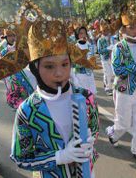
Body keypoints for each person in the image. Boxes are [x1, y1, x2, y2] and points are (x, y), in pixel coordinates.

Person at [10, 20, 99, 177]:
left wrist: (90, 142)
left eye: (65, 64)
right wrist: (59, 157)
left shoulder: (86, 97)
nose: (59, 73)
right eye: (49, 66)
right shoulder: (27, 110)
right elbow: (20, 157)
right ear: (35, 68)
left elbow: (95, 129)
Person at [105, 2, 136, 165]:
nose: (135, 31)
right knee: (123, 124)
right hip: (123, 90)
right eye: (131, 27)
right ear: (123, 29)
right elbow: (118, 71)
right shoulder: (118, 47)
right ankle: (112, 133)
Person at [71, 26, 98, 94]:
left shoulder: (89, 46)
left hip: (89, 75)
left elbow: (93, 60)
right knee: (83, 97)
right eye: (80, 33)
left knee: (91, 96)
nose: (83, 35)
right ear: (77, 35)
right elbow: (73, 64)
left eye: (84, 33)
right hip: (79, 76)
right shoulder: (75, 47)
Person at [97, 19, 114, 96]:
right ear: (102, 31)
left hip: (112, 58)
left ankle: (106, 83)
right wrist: (107, 49)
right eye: (105, 30)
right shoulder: (100, 40)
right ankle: (108, 88)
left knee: (110, 73)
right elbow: (100, 51)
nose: (106, 31)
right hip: (104, 59)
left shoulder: (111, 38)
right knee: (108, 74)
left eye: (107, 30)